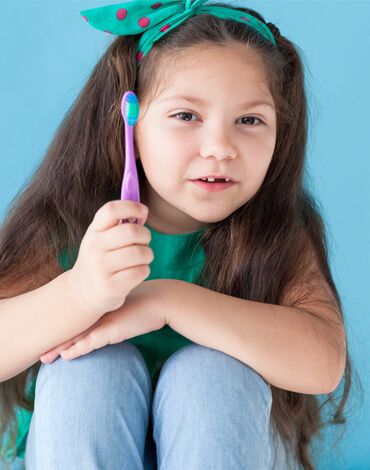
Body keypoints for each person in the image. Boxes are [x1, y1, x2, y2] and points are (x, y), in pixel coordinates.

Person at [0, 1, 354, 469]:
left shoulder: (277, 231)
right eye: (186, 115)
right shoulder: (69, 221)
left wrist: (166, 301)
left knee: (211, 371)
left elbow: (323, 364)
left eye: (250, 120)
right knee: (86, 370)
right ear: (128, 119)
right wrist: (79, 292)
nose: (220, 148)